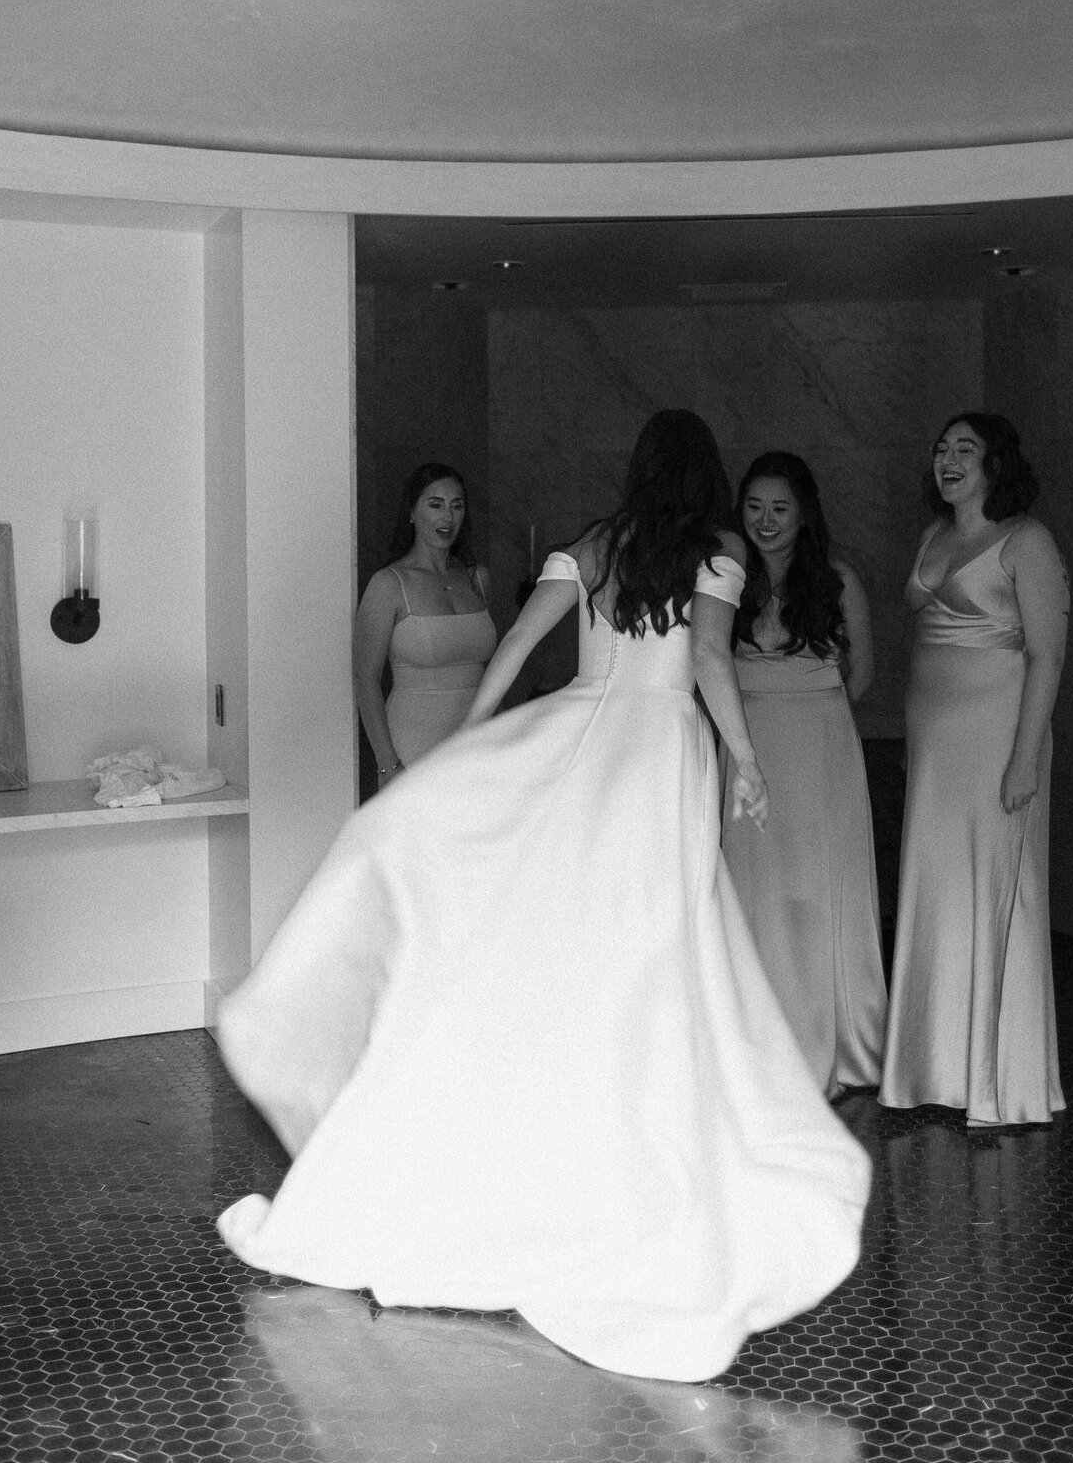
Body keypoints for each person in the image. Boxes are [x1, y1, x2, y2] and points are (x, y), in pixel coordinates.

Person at [216, 410, 870, 1384]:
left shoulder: (593, 546)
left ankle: (556, 1132)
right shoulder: (714, 552)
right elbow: (704, 662)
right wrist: (745, 760)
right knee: (652, 952)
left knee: (570, 940)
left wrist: (469, 745)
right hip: (658, 754)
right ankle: (629, 1147)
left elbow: (519, 645)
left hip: (582, 737)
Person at [879, 413, 1069, 1128]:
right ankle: (932, 1067)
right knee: (936, 891)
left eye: (965, 449)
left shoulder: (1028, 539)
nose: (947, 459)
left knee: (996, 892)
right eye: (940, 448)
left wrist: (1025, 757)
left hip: (998, 744)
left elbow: (1047, 655)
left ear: (996, 463)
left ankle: (1002, 1081)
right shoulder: (933, 538)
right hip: (935, 752)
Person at [720, 452, 887, 1100]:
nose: (765, 521)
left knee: (816, 886)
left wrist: (814, 702)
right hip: (750, 744)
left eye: (780, 508)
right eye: (754, 507)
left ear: (804, 513)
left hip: (820, 746)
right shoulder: (728, 579)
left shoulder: (839, 579)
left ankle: (829, 1043)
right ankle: (762, 1046)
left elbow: (863, 673)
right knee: (755, 885)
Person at [353, 464, 497, 781]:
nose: (447, 517)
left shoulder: (477, 579)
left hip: (478, 742)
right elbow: (365, 678)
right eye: (435, 505)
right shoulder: (389, 584)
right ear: (412, 513)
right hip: (413, 743)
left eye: (456, 506)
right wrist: (387, 762)